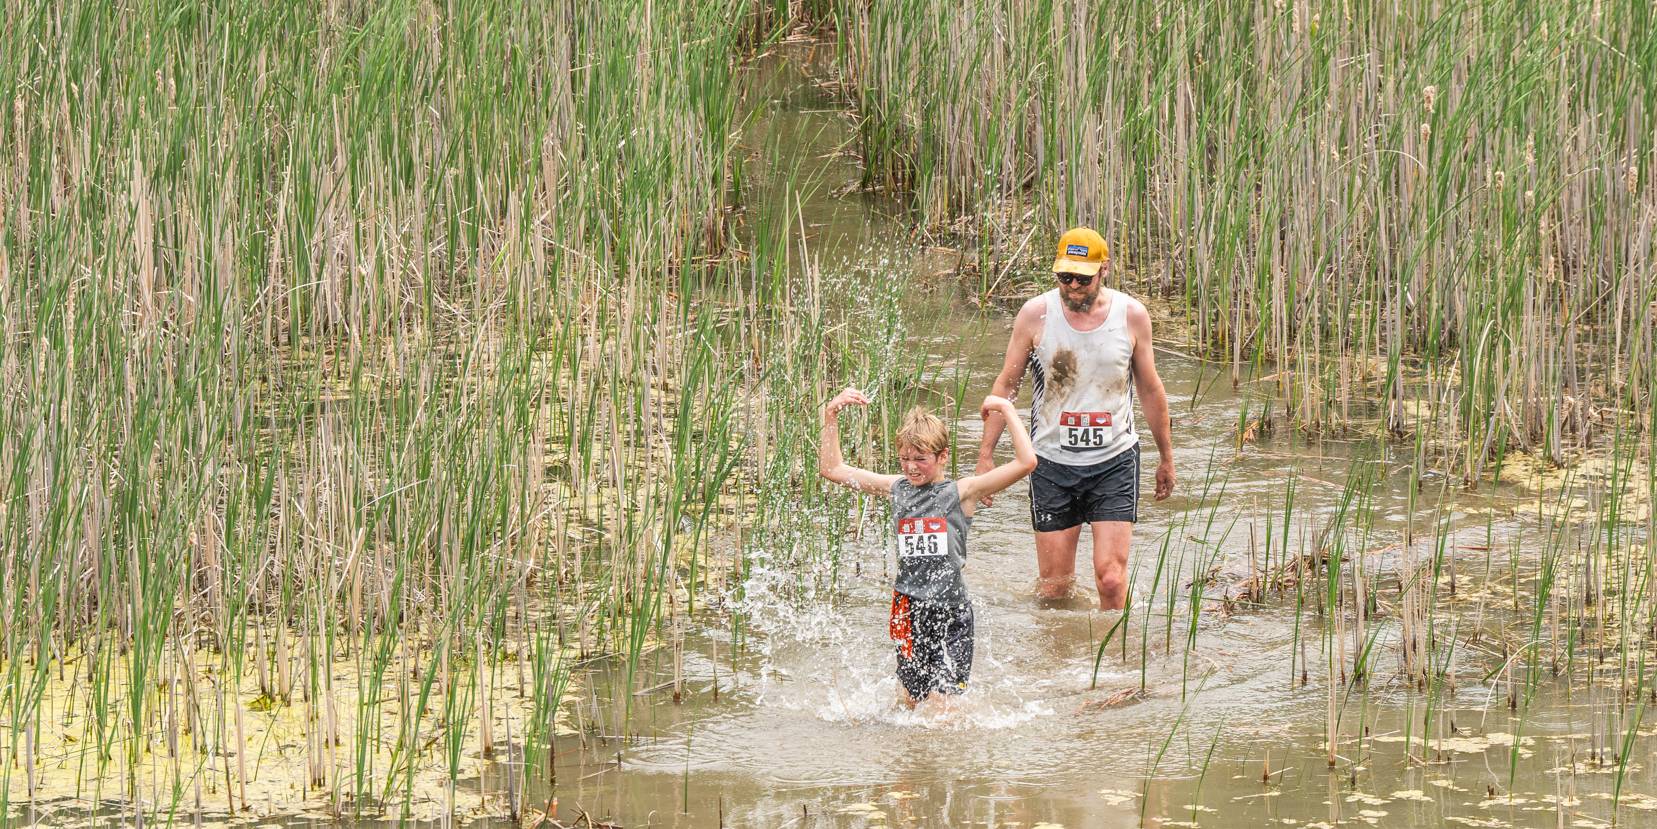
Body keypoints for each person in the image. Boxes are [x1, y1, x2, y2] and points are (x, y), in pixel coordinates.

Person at [972, 227, 1175, 610]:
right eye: (1065, 277)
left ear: (1104, 270)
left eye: (1083, 278)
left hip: (1114, 460)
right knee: (1054, 589)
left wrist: (1166, 457)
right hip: (1051, 462)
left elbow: (1150, 389)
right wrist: (986, 456)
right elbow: (1006, 387)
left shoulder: (1131, 316)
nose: (1073, 286)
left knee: (1111, 579)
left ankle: (1116, 662)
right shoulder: (1036, 315)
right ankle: (1060, 666)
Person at [818, 388, 1037, 707]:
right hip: (907, 609)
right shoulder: (896, 489)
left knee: (941, 703)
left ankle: (944, 756)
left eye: (920, 459)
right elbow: (832, 469)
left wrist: (1006, 408)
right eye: (905, 459)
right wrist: (830, 415)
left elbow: (1026, 461)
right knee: (909, 701)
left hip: (951, 610)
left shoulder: (963, 491)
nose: (911, 467)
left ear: (942, 456)